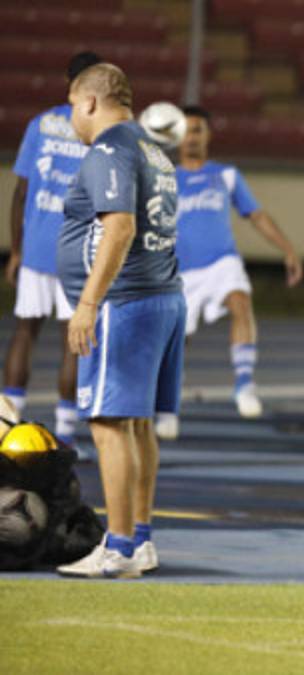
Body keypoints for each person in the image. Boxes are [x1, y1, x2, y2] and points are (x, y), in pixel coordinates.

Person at [54, 63, 186, 579]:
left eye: (71, 104)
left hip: (125, 304)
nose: (72, 116)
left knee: (109, 424)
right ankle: (142, 540)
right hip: (161, 298)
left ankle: (121, 548)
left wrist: (88, 303)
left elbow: (120, 228)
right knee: (136, 424)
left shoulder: (109, 149)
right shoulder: (153, 149)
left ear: (89, 102)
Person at [152, 105, 304, 438]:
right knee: (177, 341)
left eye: (198, 130)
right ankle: (167, 406)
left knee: (240, 302)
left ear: (208, 135)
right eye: (186, 130)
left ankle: (245, 384)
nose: (192, 137)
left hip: (222, 261)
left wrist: (288, 249)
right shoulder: (163, 178)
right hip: (180, 272)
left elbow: (256, 215)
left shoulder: (226, 175)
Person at [3, 51, 103, 447]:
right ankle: (63, 435)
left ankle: (7, 423)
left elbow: (21, 190)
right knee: (71, 340)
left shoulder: (41, 123)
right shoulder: (102, 131)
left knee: (25, 331)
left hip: (38, 244)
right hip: (77, 251)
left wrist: (16, 251)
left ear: (68, 80)